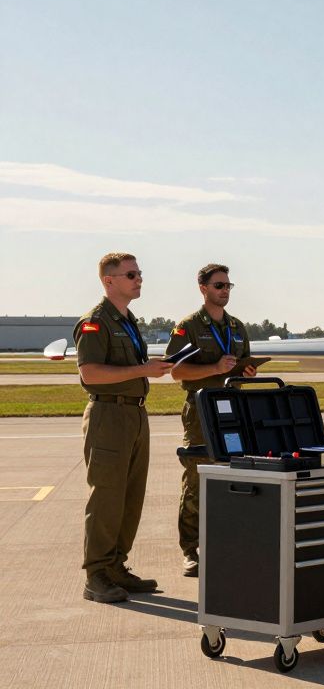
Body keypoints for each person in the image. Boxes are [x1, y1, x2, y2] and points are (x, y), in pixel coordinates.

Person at [75, 253, 173, 602]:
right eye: (131, 274)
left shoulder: (128, 320)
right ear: (109, 280)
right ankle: (96, 574)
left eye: (140, 273)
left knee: (130, 497)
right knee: (106, 496)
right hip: (108, 416)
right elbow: (91, 374)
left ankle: (116, 566)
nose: (139, 279)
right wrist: (143, 370)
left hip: (134, 414)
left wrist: (149, 370)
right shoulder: (95, 322)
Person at [165, 263, 255, 577]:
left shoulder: (237, 327)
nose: (225, 291)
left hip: (233, 410)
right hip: (201, 410)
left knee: (233, 476)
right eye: (219, 285)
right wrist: (214, 369)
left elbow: (242, 363)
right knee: (197, 479)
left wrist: (246, 371)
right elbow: (176, 372)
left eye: (229, 286)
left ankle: (225, 543)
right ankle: (191, 551)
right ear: (203, 288)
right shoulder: (188, 327)